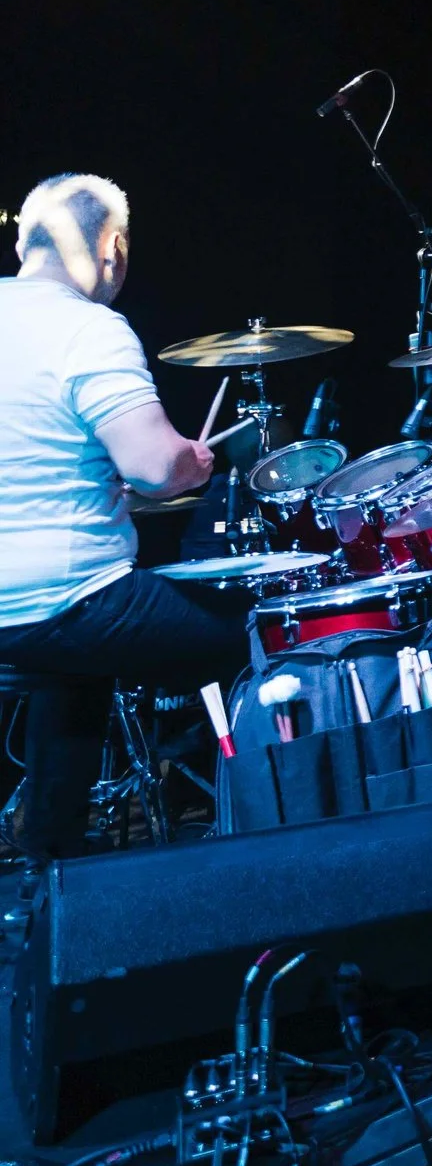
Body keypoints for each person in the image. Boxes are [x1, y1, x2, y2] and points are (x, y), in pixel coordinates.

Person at [0, 176, 233, 858]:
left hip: (23, 612)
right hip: (58, 602)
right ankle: (253, 836)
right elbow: (155, 470)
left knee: (80, 664)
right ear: (113, 249)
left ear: (22, 244)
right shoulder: (87, 328)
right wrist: (192, 461)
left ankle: (49, 846)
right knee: (249, 632)